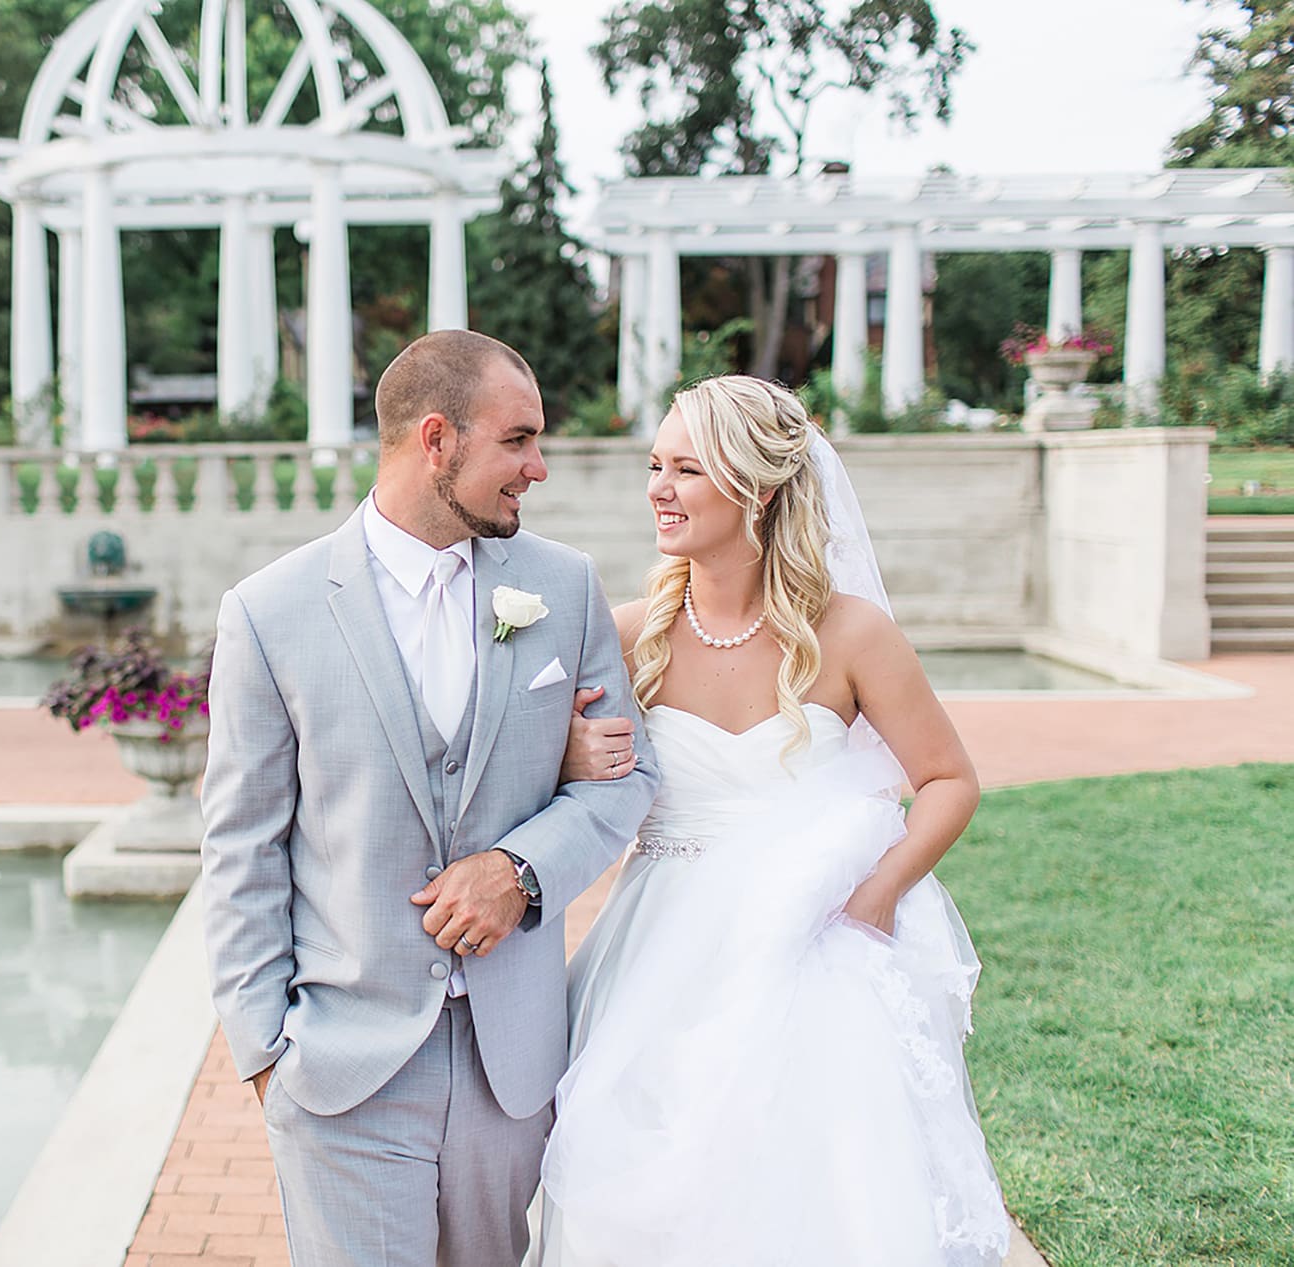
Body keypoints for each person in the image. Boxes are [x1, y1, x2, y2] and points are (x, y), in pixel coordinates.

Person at [200, 330, 659, 1267]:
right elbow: (241, 847)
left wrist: (520, 871)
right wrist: (264, 1051)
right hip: (344, 1066)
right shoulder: (269, 611)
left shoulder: (561, 585)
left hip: (511, 1065)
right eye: (519, 440)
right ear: (437, 439)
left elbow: (629, 781)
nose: (539, 467)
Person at [533, 375, 1012, 1267]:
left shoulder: (852, 634)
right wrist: (566, 758)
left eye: (687, 469)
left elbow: (948, 779)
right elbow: (537, 775)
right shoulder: (627, 631)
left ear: (755, 488)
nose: (659, 488)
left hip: (814, 950)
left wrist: (876, 894)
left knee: (817, 1194)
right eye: (655, 465)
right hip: (658, 951)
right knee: (633, 1187)